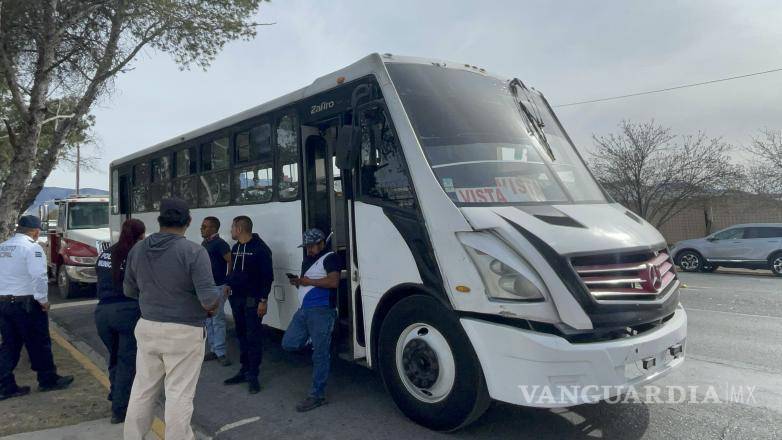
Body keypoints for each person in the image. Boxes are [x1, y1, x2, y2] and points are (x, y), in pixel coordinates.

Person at [122, 198, 220, 440]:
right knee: (179, 394)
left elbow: (128, 291)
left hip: (147, 326)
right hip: (184, 332)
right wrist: (218, 301)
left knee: (143, 390)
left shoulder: (138, 249)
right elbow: (209, 300)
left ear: (159, 220)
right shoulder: (194, 251)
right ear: (188, 222)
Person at [0, 215, 73, 401]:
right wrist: (43, 300)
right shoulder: (32, 248)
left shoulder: (3, 247)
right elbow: (39, 276)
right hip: (26, 303)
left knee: (10, 344)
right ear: (35, 231)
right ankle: (47, 379)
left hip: (4, 303)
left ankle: (5, 385)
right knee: (39, 342)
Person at [283, 228, 341, 412]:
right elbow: (307, 282)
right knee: (288, 343)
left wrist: (309, 282)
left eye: (311, 246)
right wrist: (299, 282)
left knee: (320, 355)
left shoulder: (331, 258)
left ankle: (317, 395)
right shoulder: (308, 259)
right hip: (304, 310)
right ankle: (315, 340)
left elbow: (334, 282)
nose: (308, 250)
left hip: (322, 311)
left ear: (322, 243)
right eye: (306, 247)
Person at [94, 218, 145, 424]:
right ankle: (120, 410)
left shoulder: (106, 253)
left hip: (102, 312)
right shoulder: (137, 254)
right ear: (140, 235)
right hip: (127, 312)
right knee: (127, 362)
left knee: (114, 357)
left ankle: (115, 395)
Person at [223, 216, 273, 394]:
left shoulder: (260, 249)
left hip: (253, 300)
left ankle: (254, 376)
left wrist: (263, 300)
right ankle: (244, 370)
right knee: (241, 336)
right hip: (237, 299)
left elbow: (267, 277)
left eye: (232, 227)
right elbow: (235, 271)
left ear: (239, 229)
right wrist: (229, 283)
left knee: (253, 338)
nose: (230, 231)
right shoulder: (236, 248)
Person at [200, 216, 232, 366]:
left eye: (205, 226)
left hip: (218, 286)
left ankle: (220, 351)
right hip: (207, 287)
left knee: (217, 320)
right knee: (208, 320)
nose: (202, 229)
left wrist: (228, 282)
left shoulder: (220, 244)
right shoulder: (205, 243)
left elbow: (230, 260)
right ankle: (213, 348)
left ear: (213, 228)